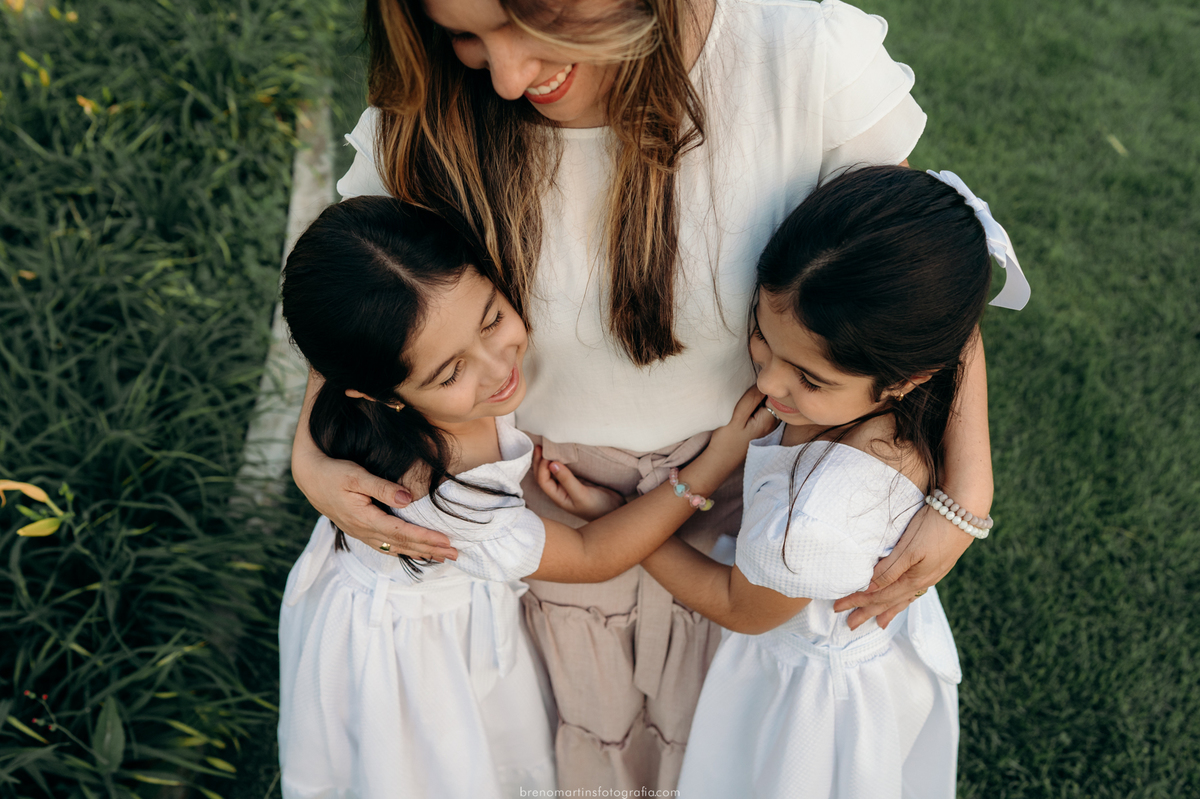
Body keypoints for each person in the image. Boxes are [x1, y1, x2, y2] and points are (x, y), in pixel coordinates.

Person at [294, 0, 998, 788]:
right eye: (464, 34)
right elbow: (360, 294)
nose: (507, 74)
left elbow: (919, 271)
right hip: (544, 521)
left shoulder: (801, 55)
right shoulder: (436, 112)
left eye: (531, 22)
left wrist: (967, 484)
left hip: (740, 520)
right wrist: (308, 454)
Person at [538, 165, 1030, 797]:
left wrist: (626, 521)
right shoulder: (889, 415)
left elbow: (741, 608)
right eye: (762, 342)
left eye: (809, 378)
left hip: (805, 707)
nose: (769, 385)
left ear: (905, 378)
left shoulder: (816, 524)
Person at [275, 197, 773, 799]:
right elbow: (591, 555)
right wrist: (714, 461)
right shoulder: (452, 498)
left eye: (490, 320)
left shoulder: (400, 407)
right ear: (380, 395)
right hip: (420, 661)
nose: (497, 368)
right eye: (449, 374)